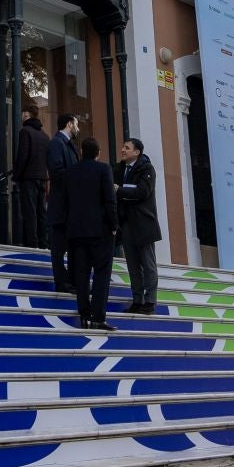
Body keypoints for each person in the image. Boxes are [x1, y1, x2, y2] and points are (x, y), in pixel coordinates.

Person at [49, 136, 116, 329]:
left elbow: (65, 200)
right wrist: (114, 225)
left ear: (81, 152)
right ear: (98, 153)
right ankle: (98, 317)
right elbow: (109, 200)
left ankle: (84, 314)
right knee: (102, 274)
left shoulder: (70, 172)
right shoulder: (104, 169)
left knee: (81, 274)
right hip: (100, 231)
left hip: (76, 231)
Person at [113, 137, 162, 313]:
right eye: (123, 146)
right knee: (133, 266)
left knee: (148, 265)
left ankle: (150, 301)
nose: (123, 150)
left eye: (127, 148)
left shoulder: (147, 169)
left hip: (144, 223)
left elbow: (142, 192)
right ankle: (137, 300)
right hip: (127, 224)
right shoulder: (120, 169)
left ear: (137, 152)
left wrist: (121, 191)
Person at [44, 113, 79, 292]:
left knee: (70, 245)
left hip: (70, 206)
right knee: (58, 247)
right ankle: (62, 281)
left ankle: (70, 280)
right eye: (76, 124)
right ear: (69, 124)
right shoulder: (57, 143)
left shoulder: (67, 144)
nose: (78, 128)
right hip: (61, 205)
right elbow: (57, 172)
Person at [9, 105, 49, 249]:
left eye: (22, 113)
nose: (21, 117)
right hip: (42, 178)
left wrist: (16, 175)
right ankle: (43, 242)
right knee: (41, 211)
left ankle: (32, 242)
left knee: (30, 211)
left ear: (27, 115)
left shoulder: (25, 131)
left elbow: (23, 155)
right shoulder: (45, 136)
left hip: (29, 178)